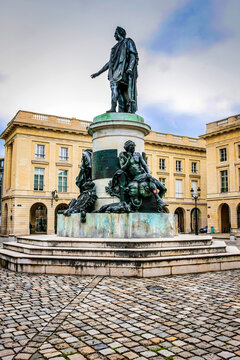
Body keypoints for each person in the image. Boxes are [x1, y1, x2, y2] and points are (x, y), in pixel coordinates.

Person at [91, 26, 138, 113]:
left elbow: (133, 56)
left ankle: (121, 107)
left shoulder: (128, 41)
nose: (114, 35)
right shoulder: (115, 48)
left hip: (124, 70)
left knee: (119, 89)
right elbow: (110, 63)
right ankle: (117, 108)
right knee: (116, 91)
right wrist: (98, 73)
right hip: (115, 71)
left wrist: (130, 68)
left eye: (115, 33)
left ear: (119, 33)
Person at [119, 140, 168, 211]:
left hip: (143, 174)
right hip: (135, 177)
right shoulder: (123, 155)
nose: (133, 148)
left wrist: (148, 173)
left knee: (163, 189)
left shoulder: (138, 154)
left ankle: (158, 203)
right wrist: (129, 159)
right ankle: (158, 200)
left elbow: (145, 165)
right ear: (126, 147)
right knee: (151, 182)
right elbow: (122, 168)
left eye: (133, 146)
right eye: (131, 146)